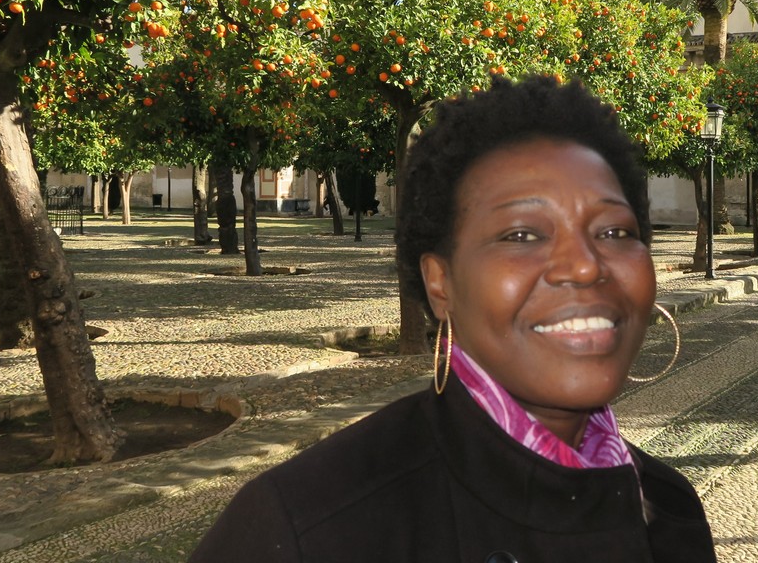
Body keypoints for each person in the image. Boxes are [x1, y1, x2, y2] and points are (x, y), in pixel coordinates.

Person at [191, 76, 716, 562]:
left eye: (615, 232)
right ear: (440, 284)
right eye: (521, 235)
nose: (584, 264)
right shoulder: (306, 527)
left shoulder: (672, 512)